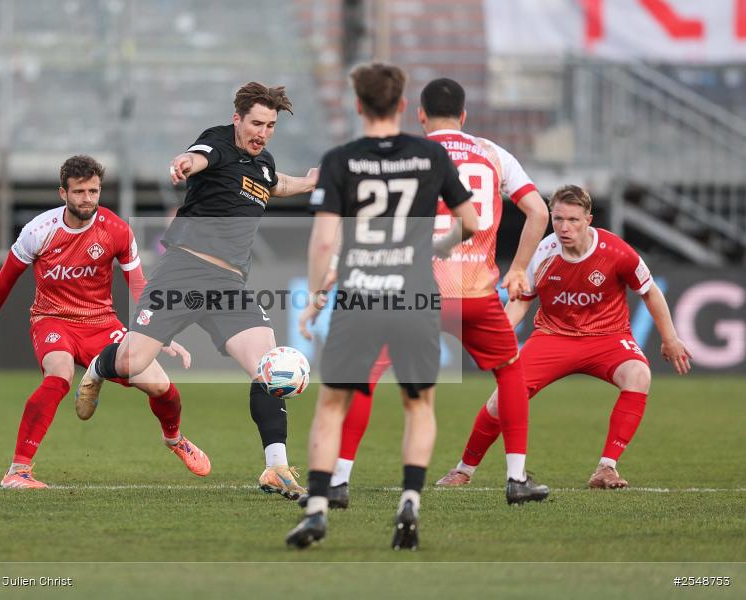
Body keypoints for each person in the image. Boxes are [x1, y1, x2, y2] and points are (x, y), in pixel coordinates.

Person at [298, 77, 552, 507]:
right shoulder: (492, 154)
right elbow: (538, 211)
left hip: (412, 289)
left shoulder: (411, 155)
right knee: (510, 371)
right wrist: (521, 268)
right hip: (476, 291)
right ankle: (516, 477)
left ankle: (338, 480)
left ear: (419, 114)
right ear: (464, 115)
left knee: (364, 379)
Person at [76, 83, 319, 499]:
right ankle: (99, 368)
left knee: (269, 367)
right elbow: (198, 157)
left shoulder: (262, 163)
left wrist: (310, 182)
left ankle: (276, 467)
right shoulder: (218, 142)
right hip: (183, 272)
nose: (262, 132)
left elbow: (273, 183)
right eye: (256, 123)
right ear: (237, 118)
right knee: (133, 361)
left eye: (270, 125)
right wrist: (184, 164)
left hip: (228, 285)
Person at [285, 63, 478, 550]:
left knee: (332, 405)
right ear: (399, 106)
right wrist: (441, 246)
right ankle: (409, 501)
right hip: (414, 294)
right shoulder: (430, 155)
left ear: (357, 105)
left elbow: (324, 240)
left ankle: (316, 509)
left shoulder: (340, 159)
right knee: (419, 405)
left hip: (358, 296)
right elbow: (470, 221)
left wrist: (313, 299)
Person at [0, 155, 209, 489]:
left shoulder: (116, 230)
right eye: (80, 191)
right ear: (63, 194)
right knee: (59, 376)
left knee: (162, 387)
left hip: (101, 323)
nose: (88, 199)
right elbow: (5, 279)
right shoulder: (38, 231)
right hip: (52, 319)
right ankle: (18, 471)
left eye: (94, 191)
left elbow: (139, 285)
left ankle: (173, 439)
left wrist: (155, 332)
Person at [441, 184, 692, 489]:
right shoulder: (542, 253)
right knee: (501, 398)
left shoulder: (616, 251)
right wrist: (502, 334)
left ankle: (606, 468)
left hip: (607, 337)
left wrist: (670, 338)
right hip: (553, 336)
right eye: (558, 219)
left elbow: (650, 291)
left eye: (573, 220)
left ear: (588, 219)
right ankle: (464, 470)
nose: (564, 227)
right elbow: (522, 299)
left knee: (639, 375)